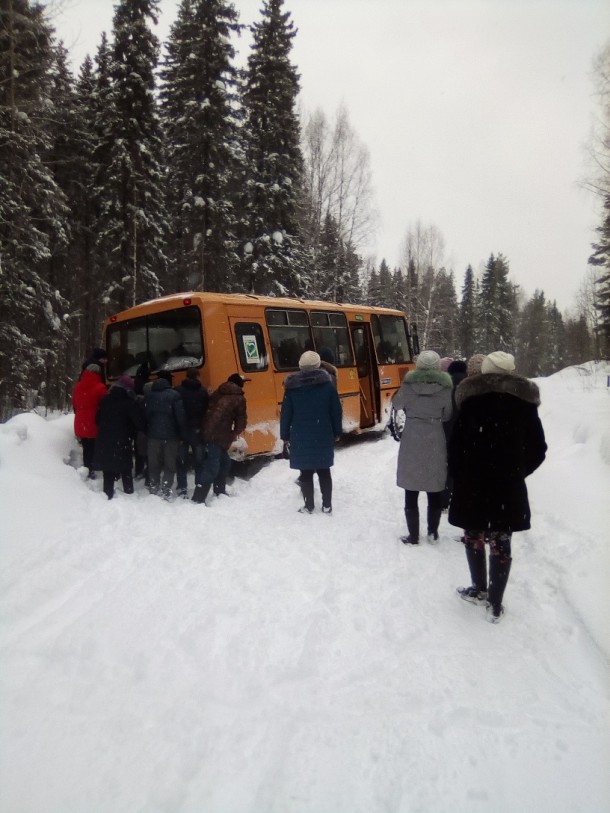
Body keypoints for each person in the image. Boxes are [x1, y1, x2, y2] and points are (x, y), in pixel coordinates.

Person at [448, 351, 547, 623]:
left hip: (473, 484)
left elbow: (455, 448)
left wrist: (461, 474)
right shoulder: (524, 405)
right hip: (507, 488)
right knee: (501, 541)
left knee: (474, 534)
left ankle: (479, 588)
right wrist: (516, 472)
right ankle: (495, 602)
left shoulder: (470, 402)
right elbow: (539, 449)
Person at [391, 350, 453, 543]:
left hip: (412, 437)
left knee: (411, 487)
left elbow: (397, 403)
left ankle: (413, 535)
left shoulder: (409, 385)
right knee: (434, 486)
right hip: (435, 436)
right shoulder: (445, 388)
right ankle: (433, 533)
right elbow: (448, 414)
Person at [280, 350, 343, 514]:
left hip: (300, 435)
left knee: (305, 471)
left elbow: (286, 413)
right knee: (324, 470)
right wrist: (337, 431)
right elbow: (336, 411)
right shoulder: (328, 386)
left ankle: (308, 505)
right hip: (322, 433)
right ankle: (327, 505)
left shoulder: (292, 388)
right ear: (318, 365)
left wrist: (285, 435)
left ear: (300, 366)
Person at [192, 373, 249, 505]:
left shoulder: (219, 392)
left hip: (207, 432)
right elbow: (241, 419)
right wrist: (236, 432)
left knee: (224, 463)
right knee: (212, 466)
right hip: (219, 435)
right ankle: (198, 498)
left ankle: (219, 492)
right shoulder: (238, 398)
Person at [93, 375, 144, 500]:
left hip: (105, 440)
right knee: (126, 469)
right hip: (122, 441)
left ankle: (107, 496)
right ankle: (129, 495)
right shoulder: (130, 403)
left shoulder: (105, 400)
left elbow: (97, 420)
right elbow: (139, 423)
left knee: (108, 471)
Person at [144, 370, 187, 499]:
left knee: (154, 464)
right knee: (170, 464)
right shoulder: (175, 395)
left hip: (153, 436)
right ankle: (166, 489)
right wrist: (182, 433)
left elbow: (145, 416)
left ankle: (153, 487)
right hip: (171, 436)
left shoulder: (149, 396)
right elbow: (180, 417)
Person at [175, 369, 209, 498]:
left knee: (181, 461)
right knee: (199, 461)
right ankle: (199, 485)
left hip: (182, 430)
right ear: (197, 377)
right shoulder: (202, 391)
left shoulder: (178, 390)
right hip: (197, 430)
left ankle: (182, 488)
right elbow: (206, 410)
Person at [440, 359, 468, 510]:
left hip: (448, 431)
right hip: (467, 433)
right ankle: (462, 500)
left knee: (449, 466)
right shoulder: (470, 387)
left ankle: (445, 499)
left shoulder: (444, 387)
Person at [72, 363, 108, 479]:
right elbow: (105, 407)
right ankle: (93, 469)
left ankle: (87, 467)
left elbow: (75, 404)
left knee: (86, 446)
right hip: (94, 422)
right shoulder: (101, 387)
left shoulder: (77, 386)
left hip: (80, 421)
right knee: (94, 446)